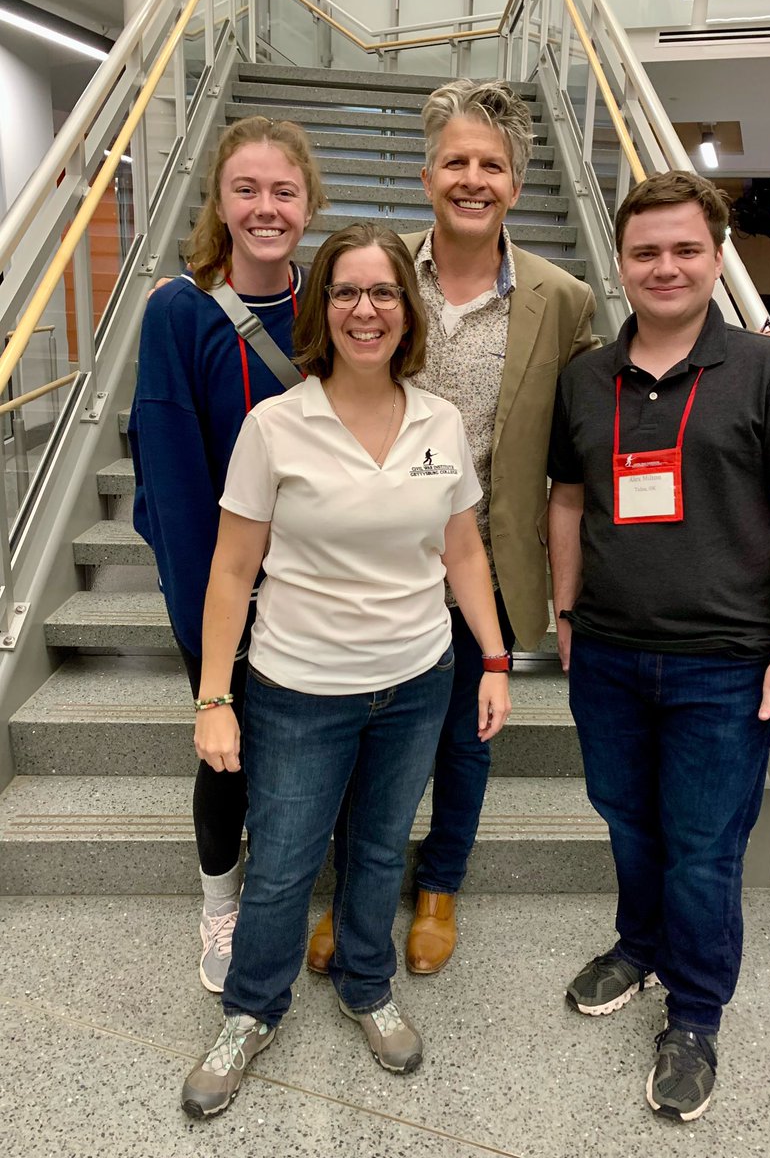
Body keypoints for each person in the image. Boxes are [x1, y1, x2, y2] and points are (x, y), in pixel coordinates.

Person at [180, 223, 512, 1118]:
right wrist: (215, 697)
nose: (366, 310)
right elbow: (230, 572)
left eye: (385, 293)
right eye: (346, 292)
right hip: (298, 687)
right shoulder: (276, 426)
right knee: (284, 862)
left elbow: (464, 553)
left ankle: (367, 984)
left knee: (376, 847)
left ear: (409, 310)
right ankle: (252, 1010)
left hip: (416, 679)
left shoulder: (440, 421)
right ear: (323, 308)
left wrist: (492, 656)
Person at [547, 170, 770, 1122]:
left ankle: (696, 1013)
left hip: (726, 663)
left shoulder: (768, 370)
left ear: (718, 258)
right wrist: (565, 610)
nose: (664, 267)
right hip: (612, 653)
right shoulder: (588, 375)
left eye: (685, 250)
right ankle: (638, 946)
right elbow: (570, 500)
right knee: (628, 820)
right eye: (645, 252)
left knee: (705, 848)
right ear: (620, 262)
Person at [305, 78, 597, 978]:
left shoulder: (563, 298)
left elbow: (584, 442)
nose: (474, 178)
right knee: (362, 739)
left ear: (517, 183)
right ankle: (357, 883)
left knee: (467, 742)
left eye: (493, 165)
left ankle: (440, 887)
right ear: (428, 175)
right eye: (457, 162)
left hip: (490, 566)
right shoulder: (382, 278)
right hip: (374, 559)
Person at [128, 116, 327, 995]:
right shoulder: (179, 310)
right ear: (219, 200)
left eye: (283, 191)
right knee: (228, 750)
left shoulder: (333, 303)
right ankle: (220, 900)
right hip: (224, 589)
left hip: (318, 588)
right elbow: (170, 478)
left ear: (310, 203)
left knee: (310, 753)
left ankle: (295, 892)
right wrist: (210, 616)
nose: (265, 207)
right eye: (246, 189)